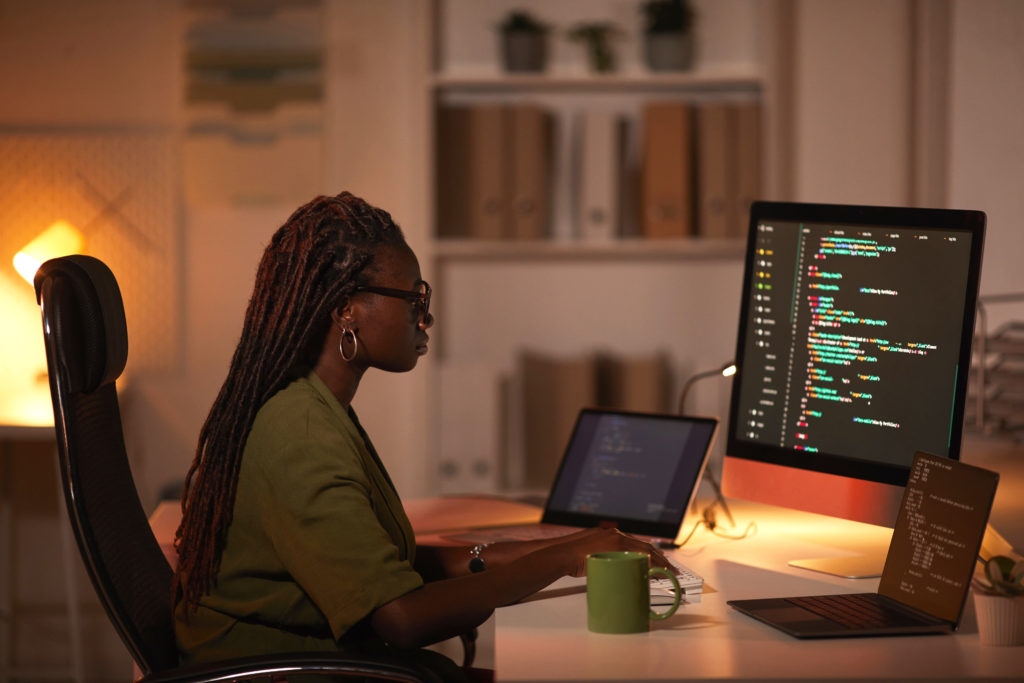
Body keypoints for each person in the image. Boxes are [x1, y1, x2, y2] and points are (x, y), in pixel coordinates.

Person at [172, 192, 671, 675]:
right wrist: (564, 557)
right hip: (289, 670)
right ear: (347, 309)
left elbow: (388, 566)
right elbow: (402, 618)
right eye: (414, 299)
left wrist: (571, 545)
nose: (426, 318)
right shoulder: (302, 432)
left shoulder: (316, 406)